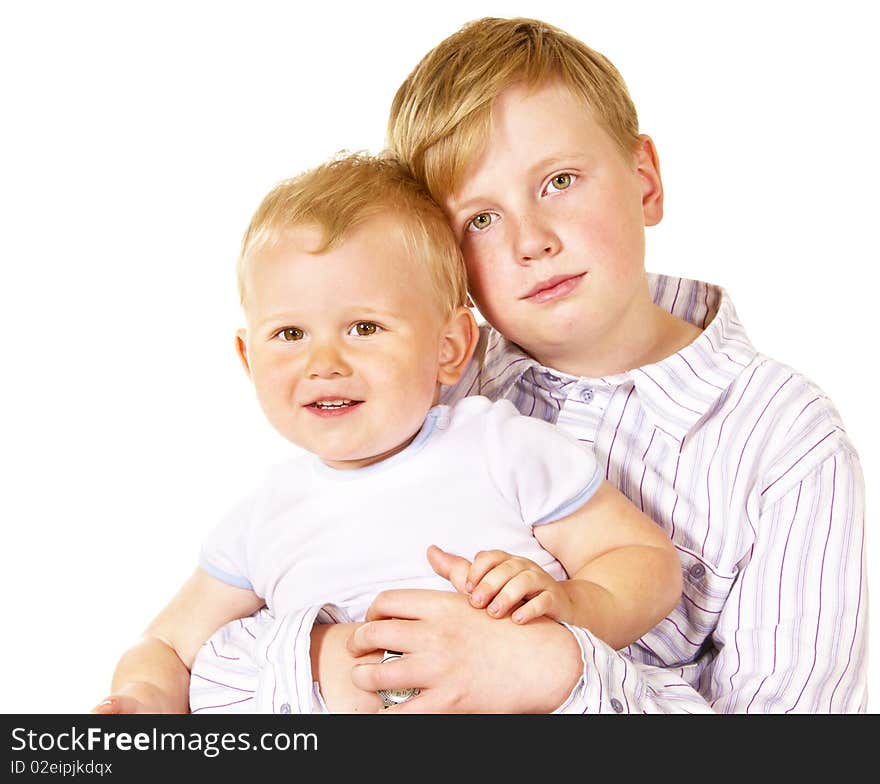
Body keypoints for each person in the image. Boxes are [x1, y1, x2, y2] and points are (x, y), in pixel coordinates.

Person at [253, 16, 866, 714]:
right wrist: (330, 656)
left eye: (560, 181)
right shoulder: (416, 381)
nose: (531, 241)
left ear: (645, 182)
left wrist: (556, 669)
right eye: (479, 220)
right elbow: (258, 593)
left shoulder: (784, 444)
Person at [92, 152, 682, 715]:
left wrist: (575, 607)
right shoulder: (260, 520)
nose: (324, 363)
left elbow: (642, 560)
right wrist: (141, 699)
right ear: (248, 359)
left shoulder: (499, 447)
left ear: (448, 348)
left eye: (364, 327)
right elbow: (169, 647)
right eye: (290, 335)